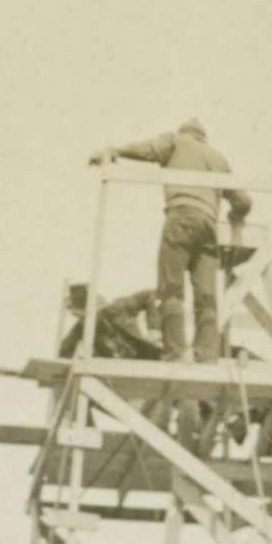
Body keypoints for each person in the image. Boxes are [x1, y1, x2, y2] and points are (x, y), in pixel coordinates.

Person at [90, 120, 252, 362]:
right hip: (208, 226)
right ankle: (207, 357)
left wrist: (116, 151)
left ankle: (174, 354)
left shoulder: (176, 141)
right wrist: (234, 216)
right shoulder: (218, 159)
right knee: (207, 295)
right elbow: (244, 201)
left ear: (184, 133)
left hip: (181, 217)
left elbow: (149, 149)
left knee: (171, 290)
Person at [58, 282, 164, 362]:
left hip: (143, 358)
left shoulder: (119, 308)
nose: (82, 320)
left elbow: (151, 294)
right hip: (117, 373)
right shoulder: (81, 327)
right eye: (78, 316)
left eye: (82, 315)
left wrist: (154, 328)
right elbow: (64, 352)